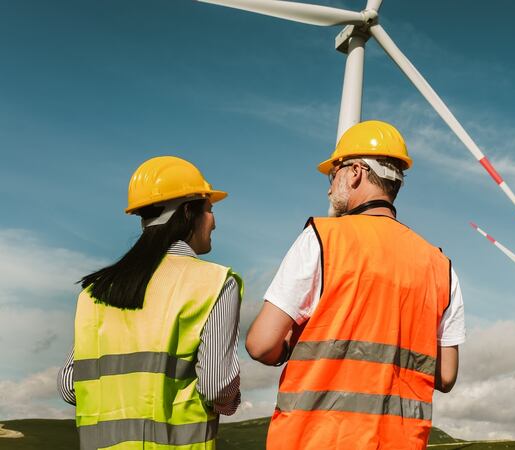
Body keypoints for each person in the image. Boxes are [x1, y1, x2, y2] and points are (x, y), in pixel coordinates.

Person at [246, 120, 466, 449]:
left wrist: (291, 346)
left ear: (355, 172)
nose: (329, 188)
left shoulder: (323, 238)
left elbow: (260, 344)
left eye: (333, 174)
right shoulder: (440, 266)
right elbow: (445, 375)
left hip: (316, 440)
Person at [57, 156, 243, 449]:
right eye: (209, 209)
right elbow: (216, 386)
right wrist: (231, 401)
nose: (214, 222)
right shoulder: (215, 282)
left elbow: (70, 386)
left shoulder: (96, 291)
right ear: (187, 212)